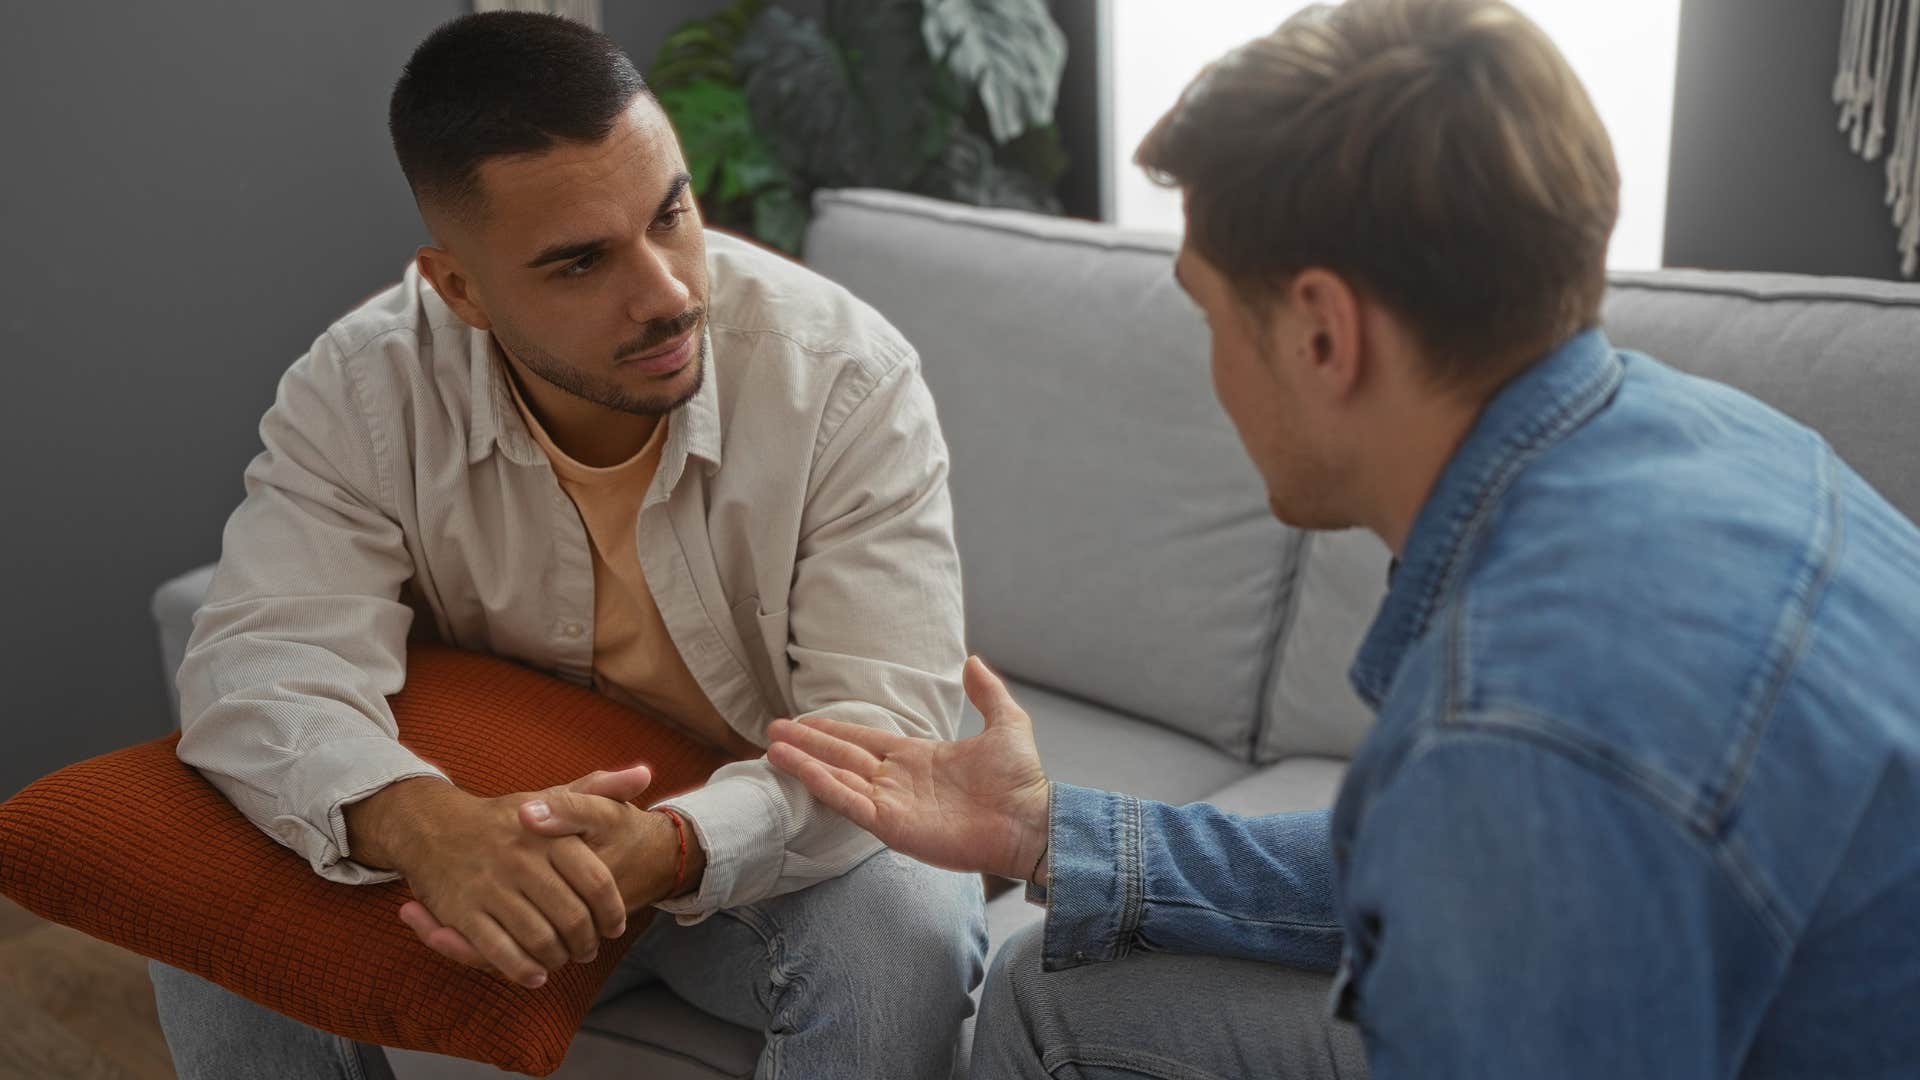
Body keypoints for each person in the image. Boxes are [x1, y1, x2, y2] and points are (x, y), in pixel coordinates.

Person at [754, 1, 1920, 1076]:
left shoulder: (1523, 727)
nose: (1209, 365)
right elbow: (1438, 873)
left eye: (1206, 313)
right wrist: (1045, 831)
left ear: (1320, 331)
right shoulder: (1703, 431)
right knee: (1048, 1001)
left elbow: (1507, 828)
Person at [149, 12, 984, 1079]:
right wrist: (425, 828)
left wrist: (672, 847)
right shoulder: (362, 389)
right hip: (492, 857)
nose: (670, 291)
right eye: (582, 262)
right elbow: (257, 662)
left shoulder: (842, 380)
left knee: (901, 930)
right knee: (206, 894)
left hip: (759, 861)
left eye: (671, 214)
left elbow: (881, 735)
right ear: (459, 289)